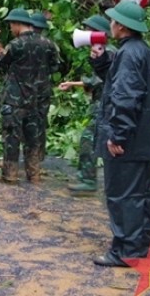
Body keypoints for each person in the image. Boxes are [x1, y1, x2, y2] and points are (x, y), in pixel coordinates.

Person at [90, 1, 150, 267]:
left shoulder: (129, 54)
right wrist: (100, 60)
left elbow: (126, 96)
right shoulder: (139, 51)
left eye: (113, 21)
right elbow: (118, 79)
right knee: (138, 195)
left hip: (128, 142)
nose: (110, 25)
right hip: (140, 139)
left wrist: (117, 135)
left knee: (123, 195)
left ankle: (125, 252)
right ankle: (138, 247)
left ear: (120, 25)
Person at [0, 8, 58, 183]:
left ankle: (10, 175)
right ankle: (34, 174)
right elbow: (54, 67)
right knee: (33, 139)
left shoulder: (15, 45)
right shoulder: (48, 44)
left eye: (11, 25)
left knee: (12, 137)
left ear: (16, 24)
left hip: (15, 99)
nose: (11, 29)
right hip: (36, 100)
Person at [58, 14, 112, 194]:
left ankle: (88, 181)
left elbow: (97, 82)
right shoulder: (105, 50)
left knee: (88, 141)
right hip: (102, 106)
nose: (86, 33)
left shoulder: (108, 52)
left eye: (90, 31)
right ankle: (88, 178)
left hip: (105, 107)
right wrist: (72, 84)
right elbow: (94, 80)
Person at [30, 12, 61, 162]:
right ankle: (39, 154)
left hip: (24, 89)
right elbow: (55, 67)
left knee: (25, 121)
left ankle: (28, 155)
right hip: (43, 87)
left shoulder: (21, 41)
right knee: (40, 121)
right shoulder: (50, 44)